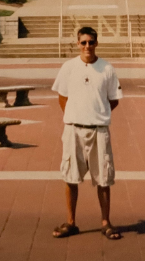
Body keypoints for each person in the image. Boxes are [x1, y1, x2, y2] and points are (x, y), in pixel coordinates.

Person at [51, 26, 123, 241]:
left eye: (91, 42)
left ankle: (105, 222)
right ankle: (71, 222)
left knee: (103, 178)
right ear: (77, 44)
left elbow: (114, 99)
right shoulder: (69, 67)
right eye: (83, 42)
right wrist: (74, 114)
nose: (87, 46)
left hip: (99, 130)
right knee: (71, 177)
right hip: (74, 129)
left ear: (96, 43)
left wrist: (97, 114)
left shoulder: (107, 69)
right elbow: (62, 96)